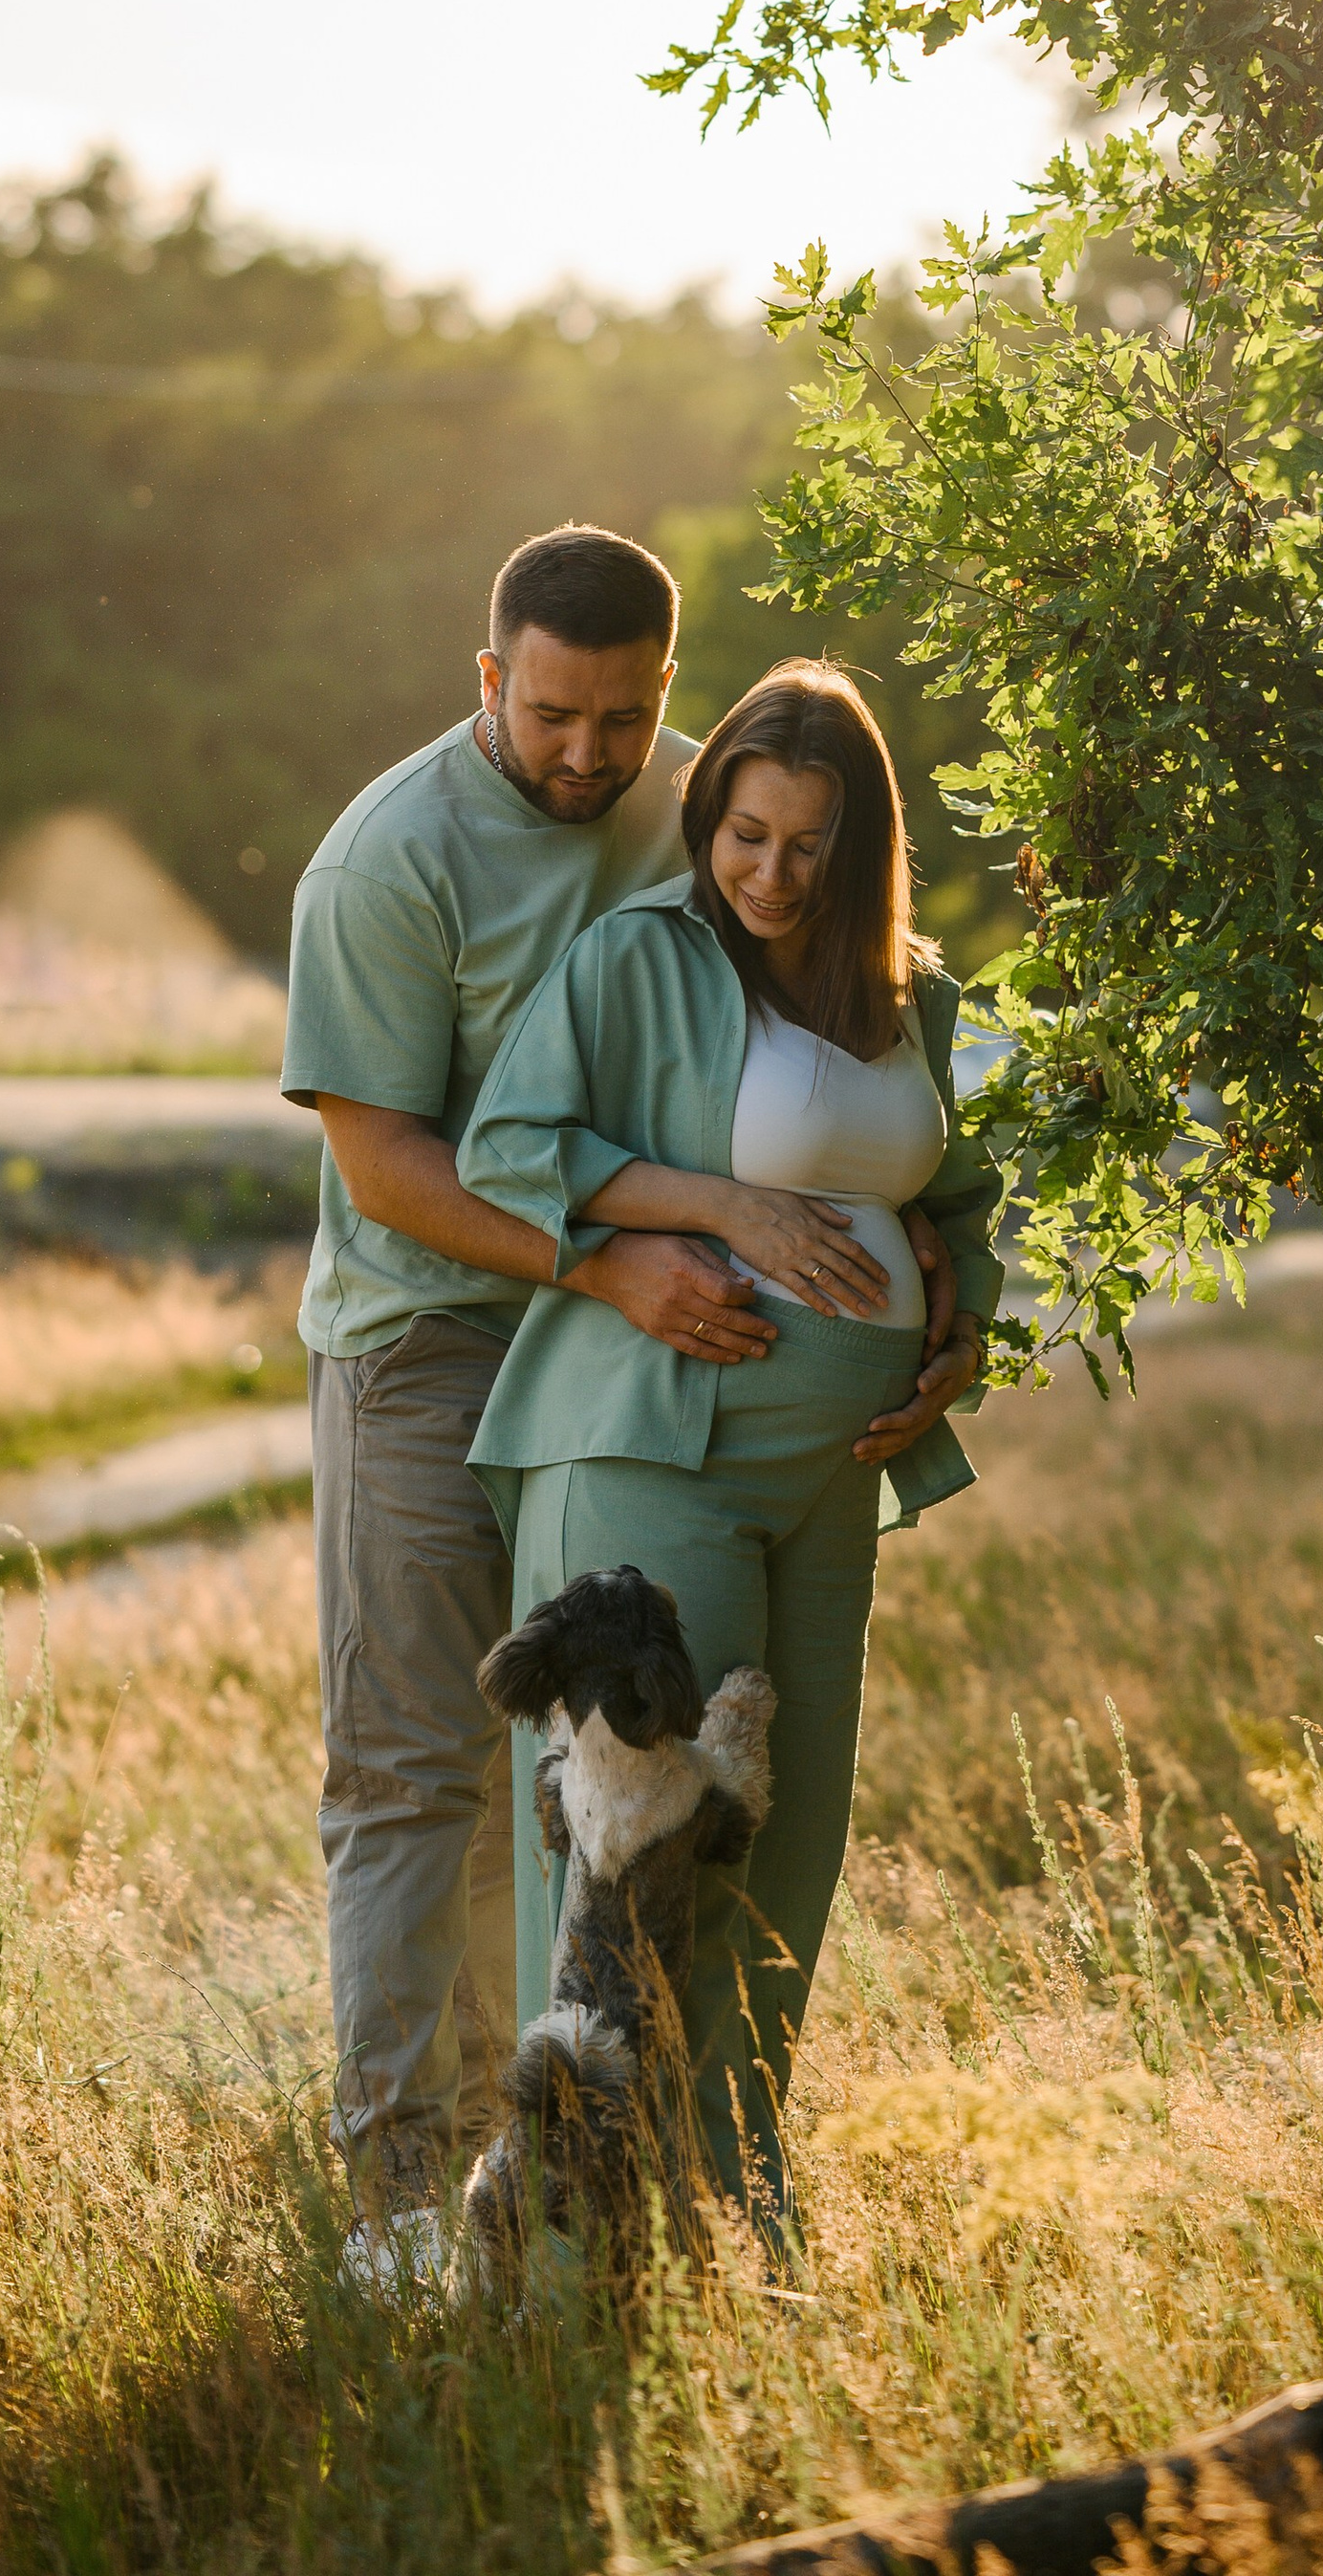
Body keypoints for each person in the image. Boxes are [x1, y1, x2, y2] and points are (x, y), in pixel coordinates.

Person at [282, 531, 961, 2284]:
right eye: (555, 712)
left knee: (580, 1789)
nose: (591, 754)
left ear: (671, 692)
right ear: (486, 676)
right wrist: (616, 1258)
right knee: (418, 1765)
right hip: (435, 1334)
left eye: (626, 715)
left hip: (655, 1358)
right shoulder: (390, 862)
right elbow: (391, 1161)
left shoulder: (710, 802)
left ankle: (571, 2166)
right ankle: (401, 2197)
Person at [458, 661, 1004, 2216]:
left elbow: (951, 1204)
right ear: (708, 822)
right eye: (742, 834)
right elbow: (510, 1149)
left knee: (793, 1847)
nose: (766, 873)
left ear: (860, 846)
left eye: (806, 845)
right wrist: (716, 1203)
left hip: (832, 1483)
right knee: (640, 1860)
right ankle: (580, 2238)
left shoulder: (914, 993)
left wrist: (953, 1327)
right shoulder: (641, 958)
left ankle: (729, 2208)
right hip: (652, 1450)